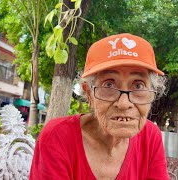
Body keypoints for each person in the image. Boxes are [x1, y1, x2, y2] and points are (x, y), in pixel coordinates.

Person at [29, 33, 169, 179]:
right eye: (108, 84)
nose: (123, 103)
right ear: (89, 94)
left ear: (153, 94)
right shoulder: (58, 137)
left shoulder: (150, 137)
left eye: (138, 85)